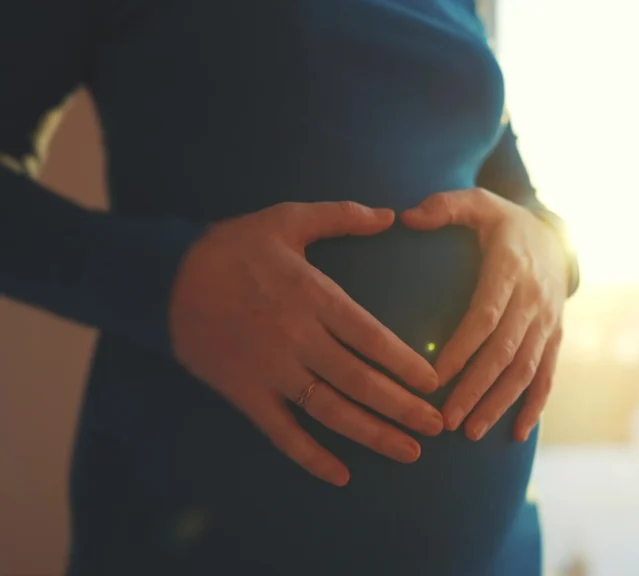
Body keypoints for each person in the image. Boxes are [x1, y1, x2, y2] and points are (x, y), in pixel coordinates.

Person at [0, 1, 579, 574]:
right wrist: (167, 280)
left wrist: (550, 246)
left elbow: (502, 170)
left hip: (489, 554)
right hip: (203, 526)